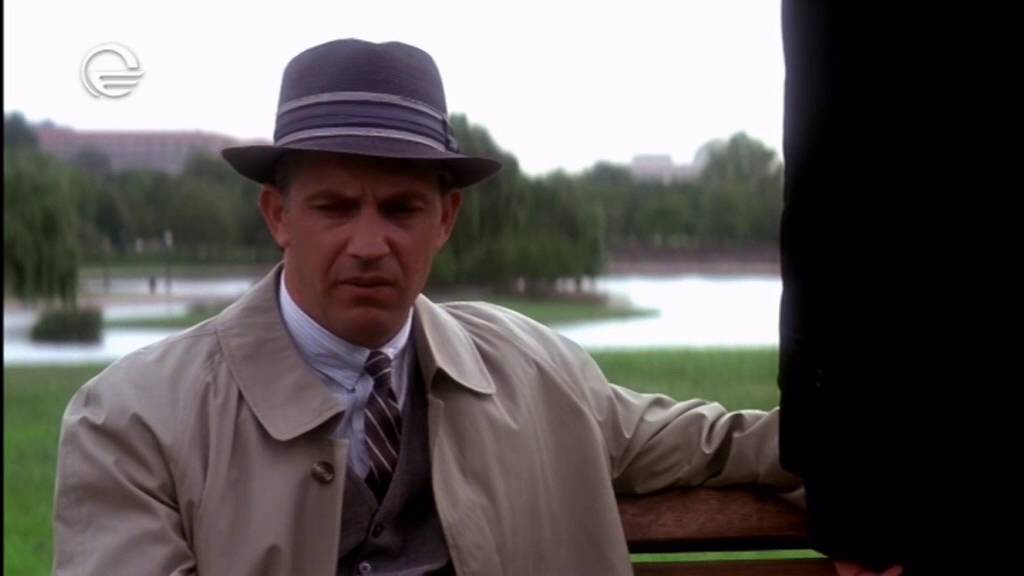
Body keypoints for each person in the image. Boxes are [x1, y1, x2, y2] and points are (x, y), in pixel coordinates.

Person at [53, 38, 801, 575]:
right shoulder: (131, 421)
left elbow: (722, 445)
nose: (369, 244)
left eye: (401, 209)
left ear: (445, 220)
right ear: (278, 215)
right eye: (335, 208)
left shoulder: (541, 373)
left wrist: (862, 478)